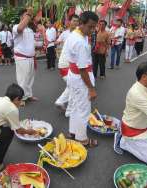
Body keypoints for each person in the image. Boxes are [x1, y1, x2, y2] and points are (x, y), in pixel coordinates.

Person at [64, 11, 99, 147]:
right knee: (83, 110)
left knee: (75, 106)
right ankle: (82, 139)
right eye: (90, 27)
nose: (93, 30)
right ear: (81, 24)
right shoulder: (80, 42)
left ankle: (73, 133)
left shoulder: (75, 34)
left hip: (73, 75)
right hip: (80, 77)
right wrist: (91, 89)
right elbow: (83, 69)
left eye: (94, 27)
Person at [12, 7, 38, 104]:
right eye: (26, 15)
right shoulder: (16, 27)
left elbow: (32, 43)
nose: (29, 17)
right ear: (21, 16)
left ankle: (28, 95)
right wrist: (28, 14)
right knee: (22, 79)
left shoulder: (30, 30)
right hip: (22, 58)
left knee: (30, 78)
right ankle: (21, 98)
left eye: (29, 15)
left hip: (30, 57)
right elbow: (20, 28)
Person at [54, 14, 80, 111]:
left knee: (72, 85)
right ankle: (69, 108)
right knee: (74, 85)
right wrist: (58, 44)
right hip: (65, 64)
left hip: (73, 64)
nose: (75, 23)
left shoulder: (79, 34)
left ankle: (61, 103)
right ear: (69, 22)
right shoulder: (65, 33)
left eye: (77, 21)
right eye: (73, 21)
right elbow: (57, 41)